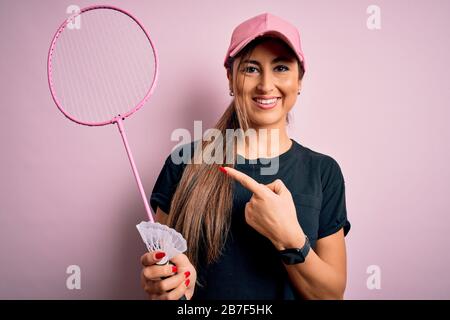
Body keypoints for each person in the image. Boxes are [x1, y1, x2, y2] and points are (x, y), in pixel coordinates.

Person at [140, 12, 351, 300]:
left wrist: (289, 238)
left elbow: (330, 296)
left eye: (281, 68)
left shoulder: (323, 172)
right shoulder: (184, 162)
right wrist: (166, 285)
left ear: (299, 80)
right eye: (251, 69)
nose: (266, 84)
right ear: (230, 77)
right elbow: (163, 278)